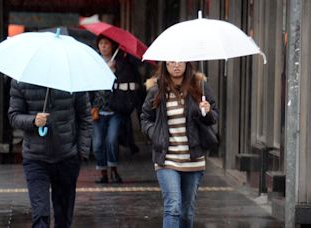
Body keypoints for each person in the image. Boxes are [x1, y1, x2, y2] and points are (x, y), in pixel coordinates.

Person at [141, 61, 218, 228]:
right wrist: (155, 134)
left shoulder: (200, 88)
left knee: (186, 212)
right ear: (165, 65)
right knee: (173, 207)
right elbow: (145, 118)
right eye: (171, 62)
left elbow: (213, 118)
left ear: (186, 64)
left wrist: (207, 111)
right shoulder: (156, 90)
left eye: (180, 61)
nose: (176, 65)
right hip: (166, 159)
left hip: (193, 160)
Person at [8, 81, 92, 228]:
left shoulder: (73, 80)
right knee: (40, 214)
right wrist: (33, 121)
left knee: (63, 216)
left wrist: (82, 152)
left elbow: (85, 117)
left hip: (67, 157)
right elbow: (14, 116)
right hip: (35, 158)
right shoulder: (20, 82)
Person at [91, 35, 139, 183]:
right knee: (98, 143)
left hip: (115, 110)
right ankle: (103, 173)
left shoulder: (120, 63)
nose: (104, 46)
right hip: (98, 111)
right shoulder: (93, 62)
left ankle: (114, 171)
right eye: (101, 44)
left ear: (112, 46)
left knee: (112, 140)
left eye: (107, 43)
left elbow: (129, 83)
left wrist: (115, 73)